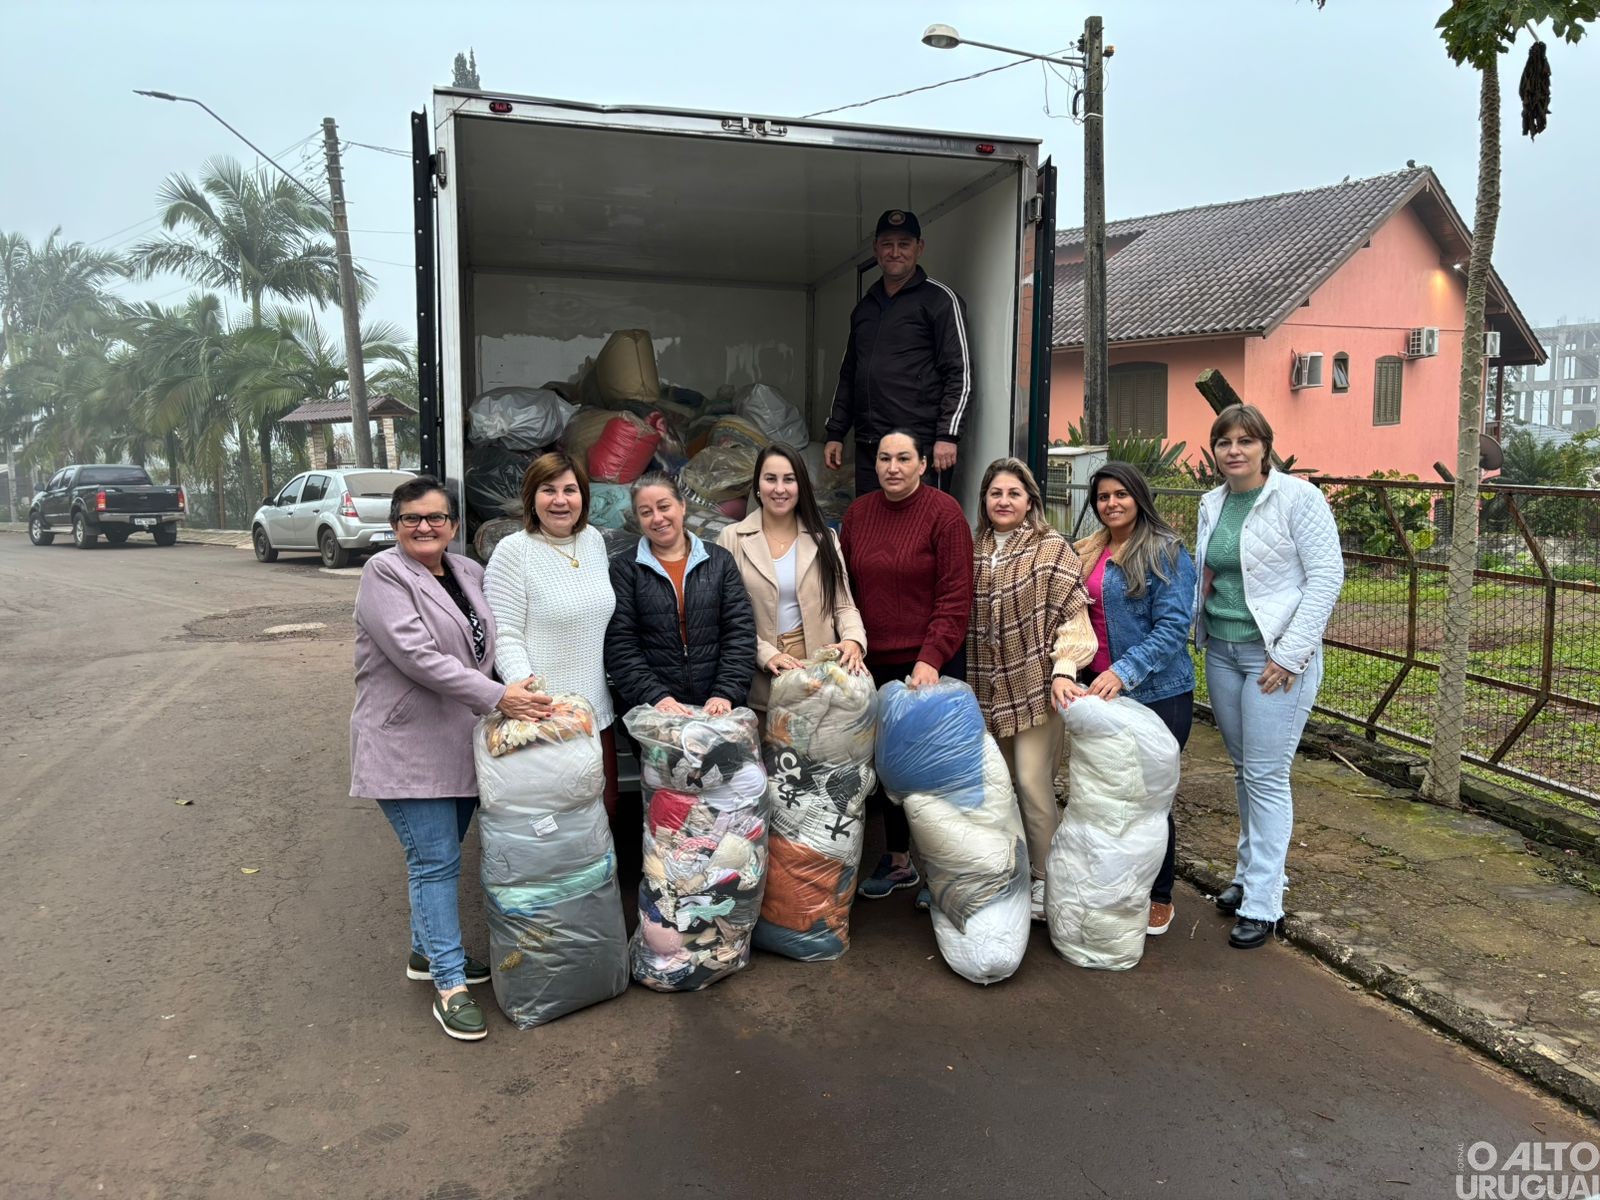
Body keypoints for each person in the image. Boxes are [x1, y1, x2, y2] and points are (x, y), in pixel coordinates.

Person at [350, 475, 550, 1042]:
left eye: (436, 517)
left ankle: (427, 950)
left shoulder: (467, 572)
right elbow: (417, 656)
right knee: (434, 863)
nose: (424, 527)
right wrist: (500, 697)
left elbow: (489, 642)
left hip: (459, 740)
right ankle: (449, 984)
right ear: (395, 526)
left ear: (454, 525)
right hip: (406, 744)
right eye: (411, 518)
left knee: (441, 855)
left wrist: (521, 682)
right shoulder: (384, 574)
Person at [1193, 404, 1344, 950]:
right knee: (1244, 771)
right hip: (1223, 651)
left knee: (1266, 774)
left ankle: (1263, 902)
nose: (1234, 450)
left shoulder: (1299, 498)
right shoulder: (1213, 502)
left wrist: (1290, 655)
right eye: (1224, 442)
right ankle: (1251, 874)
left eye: (1245, 441)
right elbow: (1211, 573)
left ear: (1265, 447)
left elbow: (1326, 577)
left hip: (1274, 658)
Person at [1054, 462, 1199, 938]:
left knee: (1150, 802)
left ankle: (1159, 895)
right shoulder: (1088, 551)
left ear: (1139, 497)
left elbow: (1173, 628)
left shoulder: (1165, 551)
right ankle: (1116, 890)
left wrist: (1124, 670)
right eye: (1103, 497)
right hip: (1100, 693)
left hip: (1158, 694)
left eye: (1121, 494)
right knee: (1107, 799)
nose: (1111, 503)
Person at [841, 430, 974, 903]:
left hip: (929, 664)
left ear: (923, 464)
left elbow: (955, 595)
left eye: (903, 458)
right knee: (887, 769)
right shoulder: (858, 515)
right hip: (873, 662)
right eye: (884, 458)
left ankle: (942, 871)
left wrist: (931, 658)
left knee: (932, 770)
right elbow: (845, 589)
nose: (892, 467)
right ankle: (899, 861)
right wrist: (851, 643)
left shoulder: (944, 513)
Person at [967, 457, 1093, 922]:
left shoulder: (1051, 547)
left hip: (1037, 688)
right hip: (983, 688)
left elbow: (1073, 616)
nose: (1004, 501)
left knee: (1031, 783)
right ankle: (1009, 872)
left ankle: (1046, 878)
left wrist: (1065, 669)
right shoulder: (973, 548)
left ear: (1030, 501)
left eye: (1013, 494)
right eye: (995, 493)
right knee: (996, 787)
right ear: (984, 499)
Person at [484, 450, 620, 818]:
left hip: (596, 713)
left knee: (604, 810)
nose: (560, 500)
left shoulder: (593, 541)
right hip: (543, 719)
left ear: (583, 497)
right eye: (548, 490)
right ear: (531, 498)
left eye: (570, 490)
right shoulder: (513, 552)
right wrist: (532, 698)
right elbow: (505, 635)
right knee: (555, 822)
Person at [822, 208, 973, 496]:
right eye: (887, 244)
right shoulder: (864, 308)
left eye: (904, 244)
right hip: (871, 447)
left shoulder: (940, 300)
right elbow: (849, 376)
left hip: (920, 447)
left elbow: (960, 373)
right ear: (876, 249)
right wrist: (836, 432)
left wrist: (948, 435)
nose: (895, 252)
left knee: (922, 523)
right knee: (870, 520)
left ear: (919, 248)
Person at [718, 443, 869, 711]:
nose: (779, 489)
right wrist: (766, 654)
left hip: (819, 675)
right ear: (757, 485)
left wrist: (853, 640)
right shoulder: (732, 539)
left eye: (789, 479)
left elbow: (844, 606)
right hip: (760, 674)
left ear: (801, 486)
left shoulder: (825, 539)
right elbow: (722, 616)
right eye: (770, 479)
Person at [606, 472, 757, 717]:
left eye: (664, 506)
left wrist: (725, 692)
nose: (658, 518)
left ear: (682, 506)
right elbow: (621, 645)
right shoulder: (625, 569)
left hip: (718, 708)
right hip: (655, 714)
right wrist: (656, 698)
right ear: (638, 518)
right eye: (646, 512)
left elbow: (739, 632)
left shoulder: (719, 561)